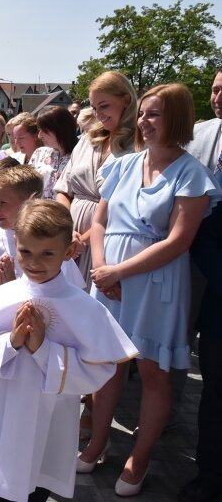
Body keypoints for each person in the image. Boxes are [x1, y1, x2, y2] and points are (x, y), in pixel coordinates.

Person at [81, 83, 221, 497]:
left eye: (154, 114)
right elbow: (100, 221)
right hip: (110, 278)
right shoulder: (124, 165)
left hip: (155, 283)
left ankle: (139, 458)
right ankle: (97, 441)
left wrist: (119, 271)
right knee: (108, 365)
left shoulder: (192, 175)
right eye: (142, 113)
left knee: (152, 372)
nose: (144, 121)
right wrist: (103, 267)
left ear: (177, 118)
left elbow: (178, 240)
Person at [0, 199, 138, 502]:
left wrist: (42, 349)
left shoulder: (84, 308)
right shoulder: (1, 297)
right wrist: (10, 342)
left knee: (37, 488)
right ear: (15, 244)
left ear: (67, 252)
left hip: (50, 421)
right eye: (25, 252)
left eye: (47, 253)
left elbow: (98, 370)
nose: (34, 262)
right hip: (2, 412)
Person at [54, 71, 137, 288]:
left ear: (125, 101)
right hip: (68, 238)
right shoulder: (88, 139)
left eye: (104, 106)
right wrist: (66, 229)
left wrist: (82, 240)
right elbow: (64, 188)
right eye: (94, 107)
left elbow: (123, 206)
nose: (98, 113)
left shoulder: (137, 146)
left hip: (106, 242)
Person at [181, 67, 222, 502]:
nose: (218, 97)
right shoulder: (201, 134)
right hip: (214, 288)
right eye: (214, 89)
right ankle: (209, 478)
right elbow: (206, 233)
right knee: (215, 395)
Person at [31, 107, 78, 199]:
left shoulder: (80, 156)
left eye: (44, 130)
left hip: (66, 212)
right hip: (38, 211)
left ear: (59, 129)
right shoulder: (39, 153)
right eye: (39, 130)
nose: (39, 135)